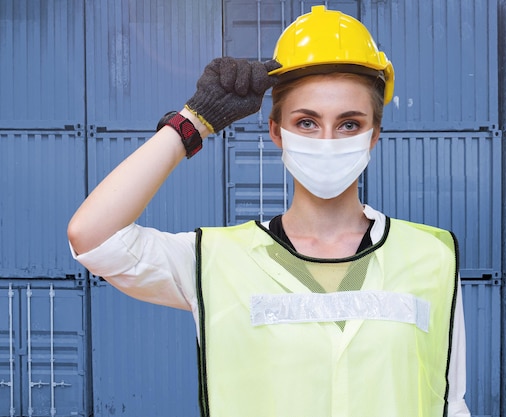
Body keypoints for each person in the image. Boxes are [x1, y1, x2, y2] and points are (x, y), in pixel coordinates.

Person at [67, 5, 471, 417]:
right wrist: (193, 122)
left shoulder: (431, 256)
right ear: (276, 131)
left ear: (374, 135)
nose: (328, 140)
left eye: (349, 124)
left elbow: (451, 404)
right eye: (307, 123)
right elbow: (93, 236)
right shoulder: (216, 262)